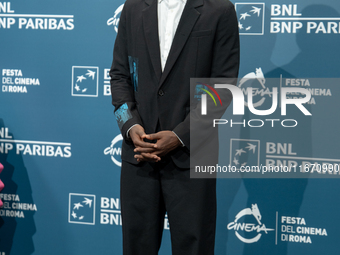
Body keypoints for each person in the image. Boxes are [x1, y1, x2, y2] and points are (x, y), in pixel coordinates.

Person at [110, 0, 239, 254]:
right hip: (139, 157)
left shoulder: (220, 9)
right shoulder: (133, 7)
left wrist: (181, 135)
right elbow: (119, 76)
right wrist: (128, 124)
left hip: (192, 156)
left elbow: (222, 86)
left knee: (195, 247)